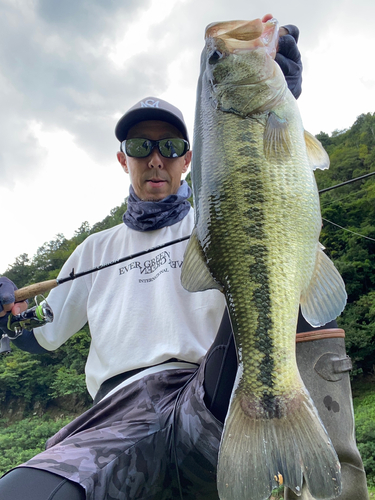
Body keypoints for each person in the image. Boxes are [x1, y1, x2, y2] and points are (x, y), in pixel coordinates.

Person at [0, 21, 368, 500]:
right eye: (140, 147)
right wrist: (6, 317)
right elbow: (42, 332)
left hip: (206, 394)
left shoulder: (216, 220)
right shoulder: (93, 250)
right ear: (122, 159)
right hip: (113, 414)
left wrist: (282, 115)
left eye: (170, 148)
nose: (156, 159)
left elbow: (282, 244)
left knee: (258, 307)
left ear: (190, 157)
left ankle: (284, 432)